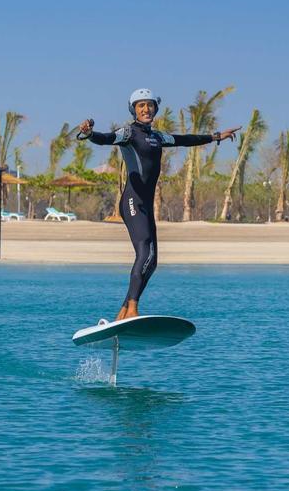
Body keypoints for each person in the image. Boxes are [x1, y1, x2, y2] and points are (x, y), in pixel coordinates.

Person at [78, 88, 240, 322]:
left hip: (146, 205)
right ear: (134, 110)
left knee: (152, 261)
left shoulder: (158, 137)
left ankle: (123, 312)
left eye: (150, 105)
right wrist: (89, 134)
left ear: (155, 108)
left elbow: (186, 140)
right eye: (141, 105)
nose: (146, 109)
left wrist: (215, 136)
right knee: (144, 253)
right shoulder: (128, 133)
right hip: (132, 201)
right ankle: (132, 309)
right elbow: (105, 138)